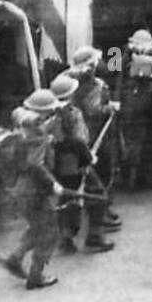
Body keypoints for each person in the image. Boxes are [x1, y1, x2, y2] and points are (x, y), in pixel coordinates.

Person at [0, 91, 63, 290]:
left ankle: (14, 258)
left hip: (19, 188)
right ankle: (36, 275)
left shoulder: (21, 130)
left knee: (36, 226)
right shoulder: (35, 135)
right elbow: (36, 166)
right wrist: (53, 185)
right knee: (49, 231)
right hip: (34, 189)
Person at [49, 73, 115, 255]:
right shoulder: (72, 114)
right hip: (79, 163)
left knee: (69, 199)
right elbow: (77, 141)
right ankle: (94, 237)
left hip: (59, 167)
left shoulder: (51, 117)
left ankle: (66, 237)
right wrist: (89, 158)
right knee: (98, 196)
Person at [117, 29, 152, 189]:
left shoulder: (122, 54)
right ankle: (146, 178)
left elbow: (115, 74)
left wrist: (117, 100)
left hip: (132, 103)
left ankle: (130, 178)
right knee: (151, 139)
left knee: (132, 140)